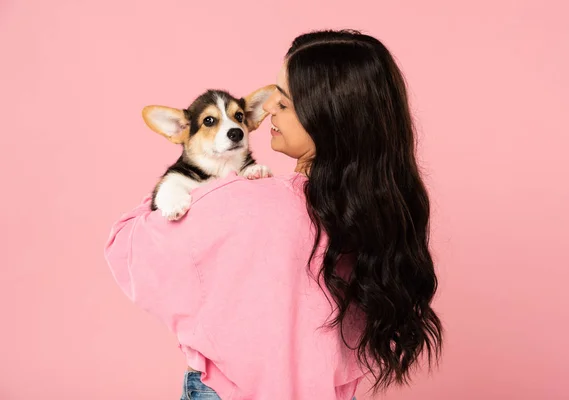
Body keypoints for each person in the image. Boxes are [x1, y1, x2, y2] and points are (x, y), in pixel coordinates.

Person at [105, 29, 443, 400]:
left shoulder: (241, 202)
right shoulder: (373, 220)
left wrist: (184, 178)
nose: (265, 111)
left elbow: (127, 249)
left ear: (326, 116)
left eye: (282, 104)